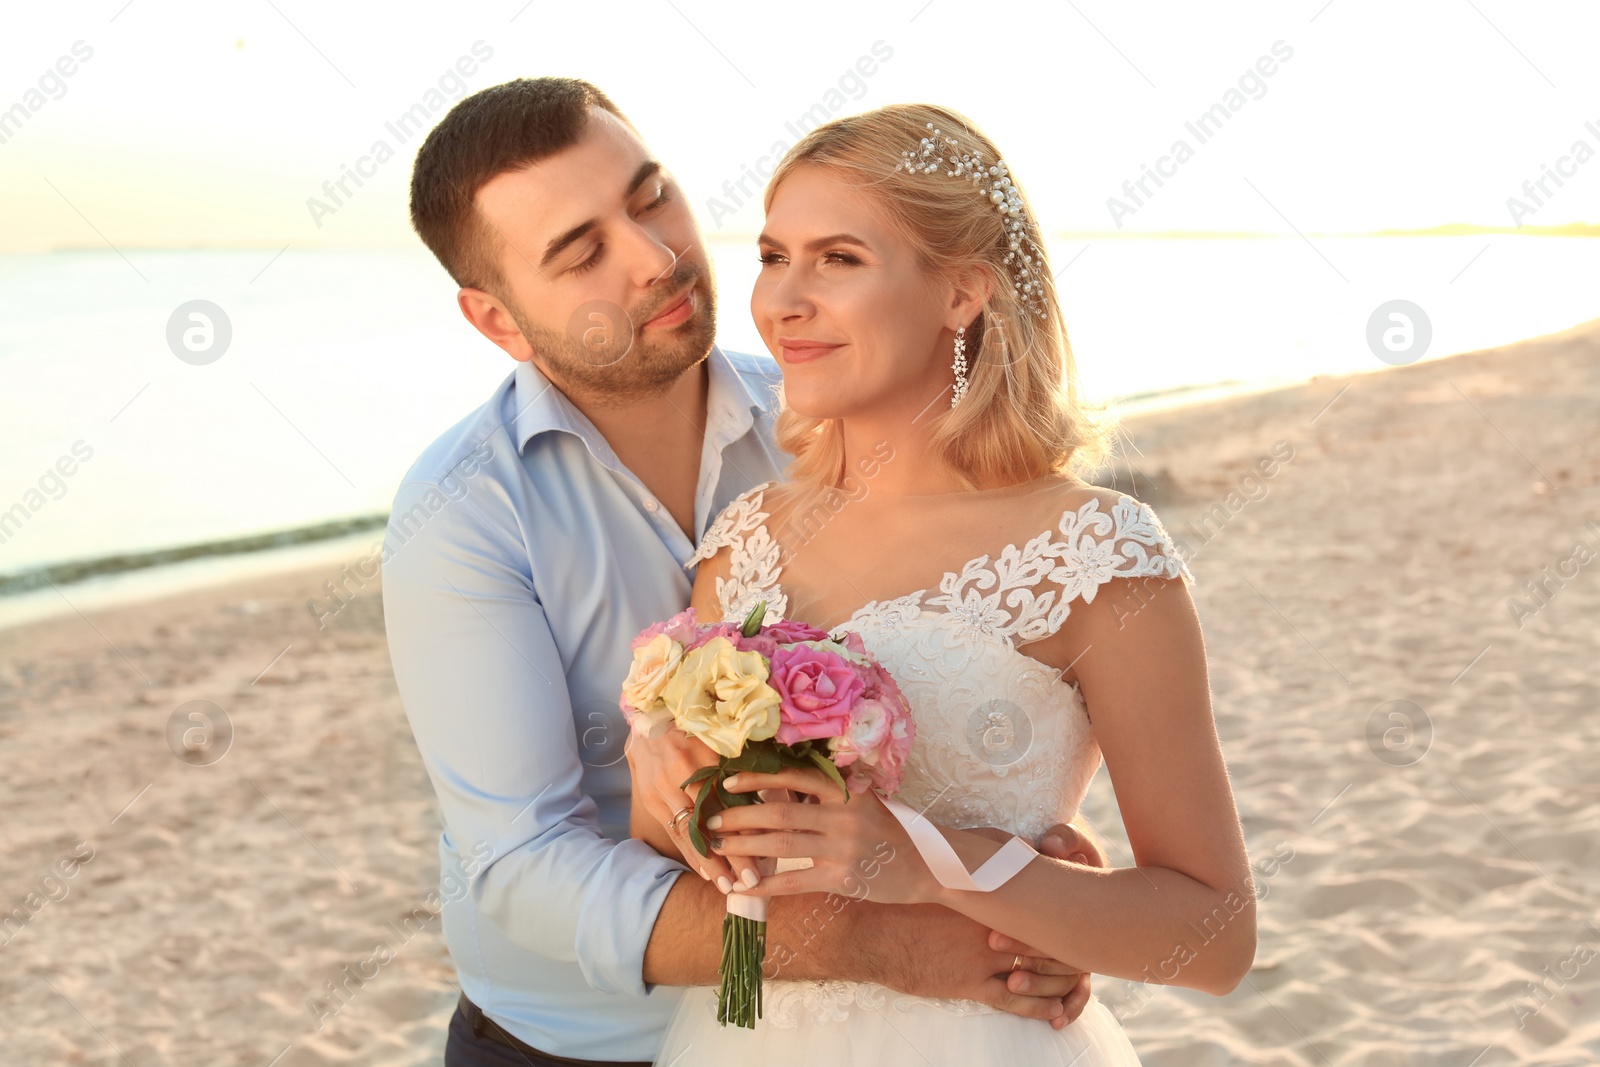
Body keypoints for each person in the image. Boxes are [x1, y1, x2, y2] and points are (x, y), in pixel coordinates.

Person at [383, 77, 1111, 1067]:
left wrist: (1027, 879)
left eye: (650, 198)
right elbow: (524, 866)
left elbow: (974, 633)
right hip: (575, 1043)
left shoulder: (835, 407)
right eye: (582, 250)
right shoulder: (462, 509)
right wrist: (882, 942)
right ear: (498, 322)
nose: (654, 255)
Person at [635, 104, 1255, 1064]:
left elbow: (1214, 933)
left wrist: (937, 864)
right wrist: (664, 787)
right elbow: (693, 868)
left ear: (962, 291)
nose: (782, 301)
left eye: (838, 259)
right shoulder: (742, 541)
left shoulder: (1093, 551)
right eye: (772, 255)